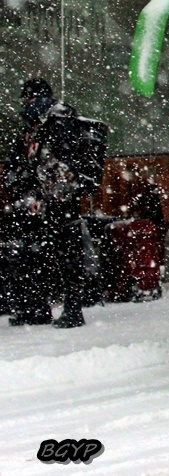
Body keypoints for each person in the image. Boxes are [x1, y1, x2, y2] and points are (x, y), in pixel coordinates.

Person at [2, 79, 89, 328]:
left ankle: (71, 310)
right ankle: (34, 307)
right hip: (40, 201)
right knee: (31, 251)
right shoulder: (38, 125)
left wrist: (29, 177)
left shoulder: (59, 120)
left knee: (65, 253)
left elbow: (58, 161)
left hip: (59, 200)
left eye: (29, 100)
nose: (26, 106)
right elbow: (19, 159)